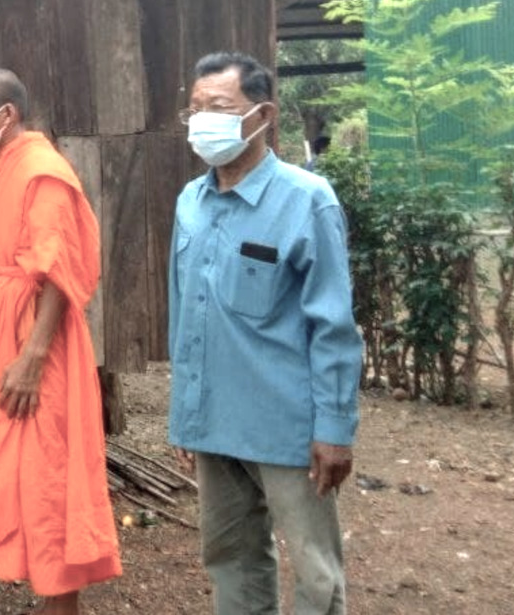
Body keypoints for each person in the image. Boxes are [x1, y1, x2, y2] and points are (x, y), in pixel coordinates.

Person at [168, 51, 362, 615]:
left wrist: (335, 429)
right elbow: (184, 311)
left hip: (288, 426)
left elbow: (333, 325)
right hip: (214, 422)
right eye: (196, 109)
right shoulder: (190, 202)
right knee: (230, 557)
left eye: (220, 107)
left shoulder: (307, 200)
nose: (204, 120)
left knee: (315, 570)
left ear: (264, 115)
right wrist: (186, 411)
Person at [0, 69, 122, 614]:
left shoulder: (42, 170)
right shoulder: (3, 170)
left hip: (36, 345)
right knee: (13, 474)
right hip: (5, 336)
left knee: (46, 475)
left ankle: (65, 607)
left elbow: (58, 269)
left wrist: (33, 357)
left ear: (8, 114)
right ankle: (51, 603)